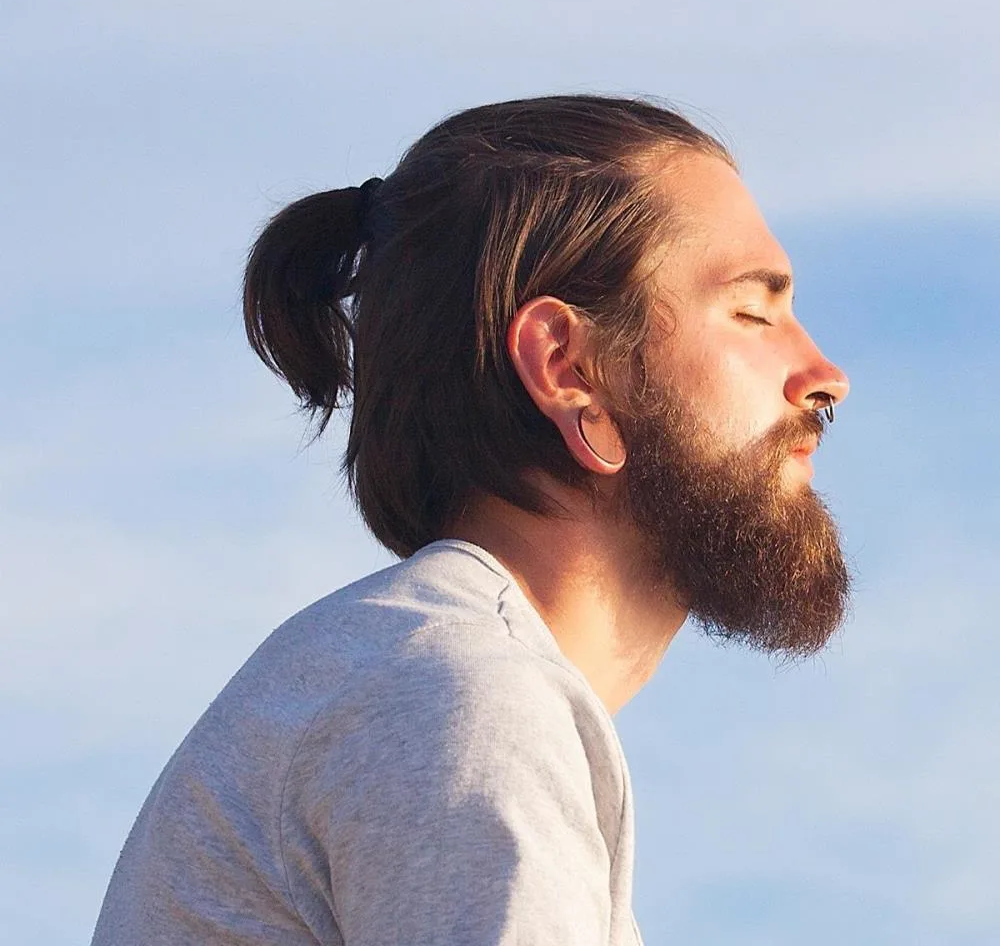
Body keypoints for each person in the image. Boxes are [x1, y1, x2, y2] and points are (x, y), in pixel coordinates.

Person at [91, 95, 850, 945]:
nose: (825, 375)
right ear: (568, 368)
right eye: (753, 312)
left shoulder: (424, 680)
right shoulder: (463, 697)